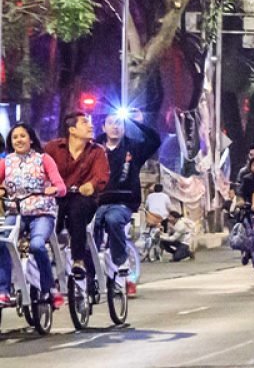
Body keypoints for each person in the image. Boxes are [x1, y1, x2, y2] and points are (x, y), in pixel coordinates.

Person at [0, 123, 67, 307]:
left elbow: (61, 186)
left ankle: (49, 287)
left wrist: (54, 189)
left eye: (23, 136)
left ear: (31, 139)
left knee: (37, 245)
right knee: (3, 242)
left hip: (42, 212)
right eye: (15, 137)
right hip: (16, 211)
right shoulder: (6, 162)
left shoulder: (44, 159)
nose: (19, 140)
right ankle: (3, 290)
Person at [95, 110, 161, 274]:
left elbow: (154, 140)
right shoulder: (94, 149)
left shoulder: (133, 148)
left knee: (113, 220)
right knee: (90, 225)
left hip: (123, 203)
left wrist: (137, 122)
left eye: (119, 123)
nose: (115, 127)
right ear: (104, 127)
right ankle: (91, 263)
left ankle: (120, 260)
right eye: (111, 123)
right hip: (97, 202)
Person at [45, 112, 110, 277]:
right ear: (72, 129)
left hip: (83, 200)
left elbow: (101, 176)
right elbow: (41, 169)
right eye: (85, 123)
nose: (91, 126)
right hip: (57, 198)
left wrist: (91, 185)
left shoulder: (97, 151)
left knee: (77, 209)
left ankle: (78, 260)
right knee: (48, 218)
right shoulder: (53, 148)